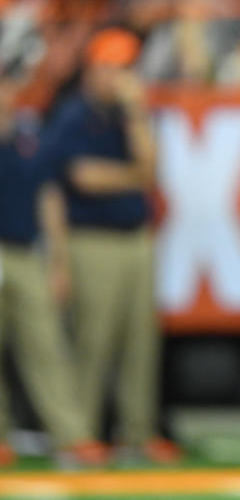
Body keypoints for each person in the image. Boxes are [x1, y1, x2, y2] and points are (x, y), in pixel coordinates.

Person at [44, 28, 177, 463]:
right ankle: (78, 433)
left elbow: (152, 170)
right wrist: (133, 177)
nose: (121, 78)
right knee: (92, 340)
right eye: (113, 68)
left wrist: (136, 115)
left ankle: (137, 432)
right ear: (93, 69)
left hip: (135, 238)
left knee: (140, 341)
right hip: (91, 240)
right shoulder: (73, 114)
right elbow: (82, 177)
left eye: (126, 69)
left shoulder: (130, 114)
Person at [0, 68, 108, 467]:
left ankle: (71, 434)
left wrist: (58, 261)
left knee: (45, 345)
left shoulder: (30, 137)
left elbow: (49, 197)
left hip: (25, 251)